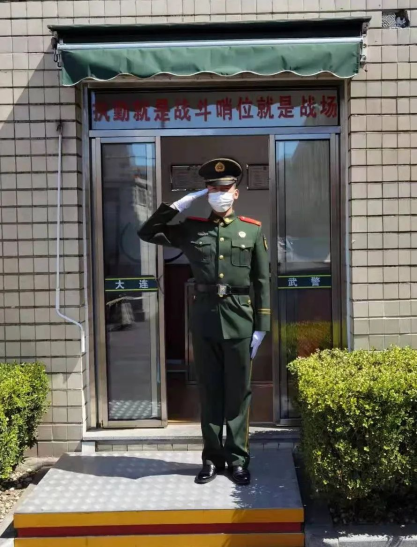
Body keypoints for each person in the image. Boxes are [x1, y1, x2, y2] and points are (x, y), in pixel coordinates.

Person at [138, 158, 270, 485]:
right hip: (205, 320)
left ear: (236, 193)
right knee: (210, 391)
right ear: (206, 193)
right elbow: (146, 232)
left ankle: (237, 459)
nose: (219, 194)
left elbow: (262, 281)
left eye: (225, 189)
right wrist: (175, 206)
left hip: (240, 320)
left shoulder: (251, 230)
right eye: (213, 189)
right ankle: (212, 458)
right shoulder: (191, 228)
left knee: (237, 393)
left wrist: (261, 326)